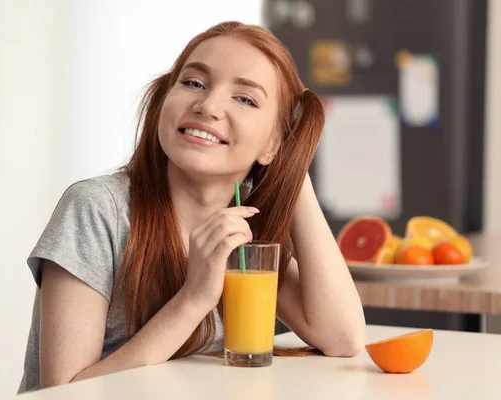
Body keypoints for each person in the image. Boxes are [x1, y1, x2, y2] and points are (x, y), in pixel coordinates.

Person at [18, 21, 366, 393]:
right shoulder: (97, 211)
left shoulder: (244, 229)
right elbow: (62, 391)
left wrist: (291, 170)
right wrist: (195, 296)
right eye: (193, 83)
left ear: (273, 145)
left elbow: (343, 338)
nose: (208, 105)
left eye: (245, 99)